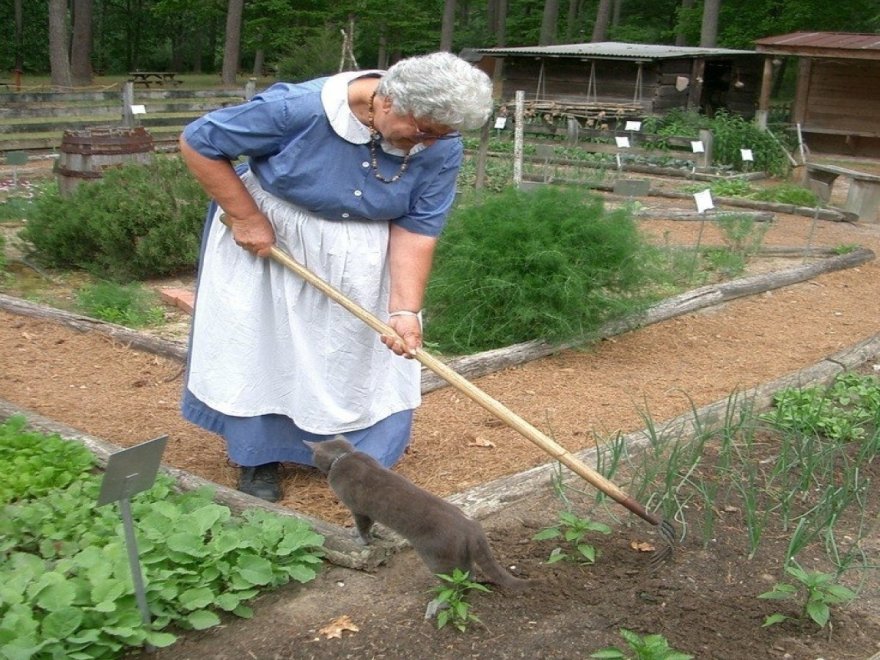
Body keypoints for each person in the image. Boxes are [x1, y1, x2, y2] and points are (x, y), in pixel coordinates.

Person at [178, 52, 493, 502]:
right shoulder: (298, 109)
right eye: (422, 132)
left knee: (355, 356)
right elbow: (199, 142)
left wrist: (405, 309)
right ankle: (257, 457)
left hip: (365, 255)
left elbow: (418, 227)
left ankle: (360, 463)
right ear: (387, 103)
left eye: (441, 136)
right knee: (264, 348)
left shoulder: (440, 141)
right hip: (277, 242)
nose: (427, 145)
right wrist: (244, 216)